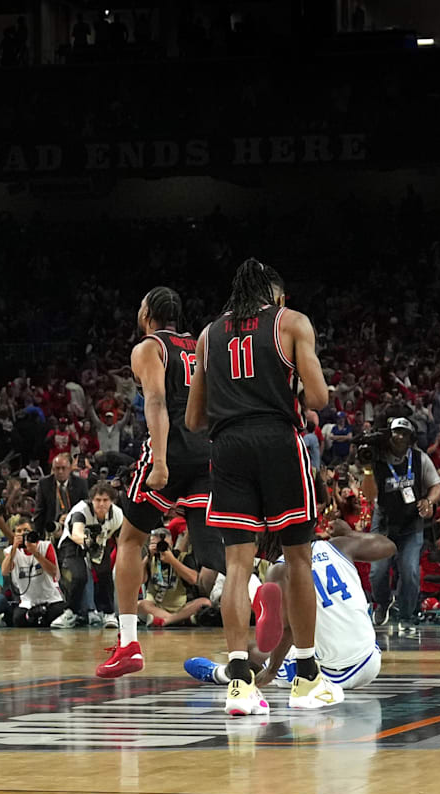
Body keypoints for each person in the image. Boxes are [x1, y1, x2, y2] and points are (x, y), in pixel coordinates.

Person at [186, 257, 344, 714]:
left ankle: (239, 684)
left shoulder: (208, 335)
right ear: (274, 295)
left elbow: (195, 419)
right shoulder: (290, 322)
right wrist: (284, 389)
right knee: (297, 557)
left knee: (239, 566)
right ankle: (308, 677)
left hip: (227, 446)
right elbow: (318, 398)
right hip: (277, 440)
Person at [100, 287, 220, 677]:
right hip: (208, 451)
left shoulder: (148, 348)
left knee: (130, 540)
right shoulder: (200, 343)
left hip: (172, 449)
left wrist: (162, 462)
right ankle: (264, 603)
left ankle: (129, 644)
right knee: (220, 558)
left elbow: (155, 402)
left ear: (147, 312)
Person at [185, 520, 392, 690]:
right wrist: (350, 533)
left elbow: (289, 629)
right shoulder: (339, 545)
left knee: (252, 651)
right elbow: (389, 546)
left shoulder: (279, 569)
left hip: (337, 675)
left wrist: (272, 671)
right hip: (371, 659)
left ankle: (223, 674)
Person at [359, 417, 439, 634]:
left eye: (404, 433)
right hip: (384, 521)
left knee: (410, 569)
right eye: (396, 432)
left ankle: (406, 614)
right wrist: (367, 470)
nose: (399, 436)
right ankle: (383, 604)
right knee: (378, 571)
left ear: (410, 437)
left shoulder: (420, 458)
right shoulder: (377, 458)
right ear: (389, 435)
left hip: (411, 522)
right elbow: (369, 495)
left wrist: (429, 501)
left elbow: (435, 485)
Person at [50, 482, 124, 628]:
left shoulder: (117, 515)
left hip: (100, 541)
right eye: (98, 500)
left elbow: (120, 540)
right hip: (73, 543)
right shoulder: (81, 510)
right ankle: (70, 612)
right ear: (91, 500)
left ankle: (108, 613)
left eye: (105, 500)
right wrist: (87, 542)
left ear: (112, 501)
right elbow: (77, 533)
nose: (101, 504)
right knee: (79, 576)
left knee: (105, 573)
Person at [2, 517, 64, 626]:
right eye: (19, 531)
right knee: (17, 619)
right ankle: (32, 616)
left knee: (57, 613)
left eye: (26, 531)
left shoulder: (45, 546)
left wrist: (36, 553)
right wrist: (14, 548)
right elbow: (5, 571)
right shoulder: (10, 551)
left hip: (50, 598)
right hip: (28, 602)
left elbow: (54, 572)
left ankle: (38, 618)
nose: (22, 534)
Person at [34, 453, 89, 538]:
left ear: (70, 469)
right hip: (52, 528)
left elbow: (85, 508)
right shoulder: (44, 484)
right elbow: (39, 511)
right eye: (57, 468)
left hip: (74, 526)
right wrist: (38, 535)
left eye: (63, 468)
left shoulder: (80, 483)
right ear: (53, 469)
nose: (60, 471)